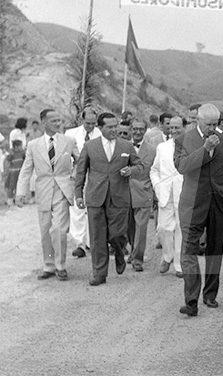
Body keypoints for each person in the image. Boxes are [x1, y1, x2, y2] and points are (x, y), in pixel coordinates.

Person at [175, 103, 223, 316]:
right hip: (192, 204)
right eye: (208, 124)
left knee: (215, 250)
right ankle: (191, 301)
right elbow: (182, 167)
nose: (212, 128)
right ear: (198, 121)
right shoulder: (183, 140)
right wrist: (205, 149)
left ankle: (210, 294)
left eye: (214, 124)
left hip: (220, 202)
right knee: (189, 250)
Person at [74, 112, 143, 286]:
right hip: (95, 197)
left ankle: (119, 251)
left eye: (115, 126)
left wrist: (131, 171)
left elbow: (139, 165)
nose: (114, 130)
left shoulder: (126, 146)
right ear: (100, 128)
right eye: (110, 127)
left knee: (117, 234)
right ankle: (99, 273)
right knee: (97, 237)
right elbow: (80, 172)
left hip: (119, 197)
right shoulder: (90, 146)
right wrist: (78, 195)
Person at [15, 110, 78, 279]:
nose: (58, 123)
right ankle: (49, 265)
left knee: (58, 230)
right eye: (54, 121)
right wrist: (21, 192)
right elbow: (26, 170)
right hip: (43, 191)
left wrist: (73, 177)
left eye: (59, 120)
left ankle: (60, 266)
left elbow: (80, 161)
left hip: (62, 190)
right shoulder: (33, 145)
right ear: (44, 122)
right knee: (45, 231)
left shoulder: (68, 141)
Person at [150, 116, 184, 277]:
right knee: (163, 229)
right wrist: (157, 186)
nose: (174, 131)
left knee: (181, 229)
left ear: (184, 128)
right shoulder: (162, 147)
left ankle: (179, 265)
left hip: (183, 193)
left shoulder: (191, 147)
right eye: (171, 127)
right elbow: (154, 170)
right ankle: (167, 255)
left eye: (177, 127)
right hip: (164, 193)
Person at [64, 108, 100, 258]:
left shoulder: (100, 134)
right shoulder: (70, 134)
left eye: (93, 123)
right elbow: (66, 156)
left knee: (93, 208)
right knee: (77, 209)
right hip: (77, 176)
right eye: (87, 123)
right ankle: (79, 244)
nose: (90, 126)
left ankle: (91, 242)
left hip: (95, 177)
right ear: (82, 120)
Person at [125, 119, 156, 272]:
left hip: (144, 191)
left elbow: (155, 171)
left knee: (141, 227)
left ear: (145, 130)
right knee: (129, 227)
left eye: (141, 129)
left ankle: (138, 258)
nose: (138, 132)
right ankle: (133, 250)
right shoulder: (123, 146)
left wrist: (155, 194)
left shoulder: (152, 150)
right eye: (135, 129)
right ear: (131, 129)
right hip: (125, 192)